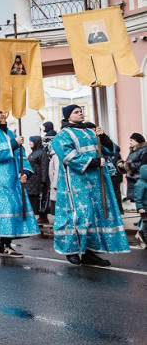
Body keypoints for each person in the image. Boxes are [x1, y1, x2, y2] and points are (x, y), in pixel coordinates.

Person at [51, 105, 129, 265]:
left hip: (96, 182)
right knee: (79, 216)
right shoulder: (63, 135)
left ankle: (89, 253)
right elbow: (68, 157)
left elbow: (112, 150)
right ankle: (71, 250)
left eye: (81, 111)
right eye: (76, 112)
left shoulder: (90, 130)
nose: (81, 114)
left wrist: (103, 136)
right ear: (67, 116)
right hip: (75, 183)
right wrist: (93, 162)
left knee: (94, 216)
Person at [0, 103, 39, 257]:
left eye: (4, 111)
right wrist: (13, 143)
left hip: (13, 180)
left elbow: (21, 156)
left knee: (11, 210)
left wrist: (25, 173)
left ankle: (6, 245)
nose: (3, 114)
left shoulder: (11, 134)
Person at [25, 136, 50, 224]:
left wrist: (43, 180)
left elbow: (44, 167)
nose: (29, 143)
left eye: (31, 141)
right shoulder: (34, 152)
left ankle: (43, 217)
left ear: (36, 142)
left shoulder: (41, 153)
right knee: (32, 198)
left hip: (37, 180)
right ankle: (34, 216)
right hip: (31, 180)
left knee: (40, 198)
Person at [125, 133, 147, 202]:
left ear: (137, 141)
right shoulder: (133, 150)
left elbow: (143, 164)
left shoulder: (144, 150)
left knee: (141, 201)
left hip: (138, 178)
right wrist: (123, 164)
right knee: (137, 202)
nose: (130, 142)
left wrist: (129, 165)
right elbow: (129, 161)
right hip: (132, 179)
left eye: (131, 140)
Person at [134, 165, 147, 249]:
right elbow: (138, 197)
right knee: (146, 226)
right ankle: (144, 237)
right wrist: (139, 207)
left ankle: (141, 233)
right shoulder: (140, 184)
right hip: (144, 209)